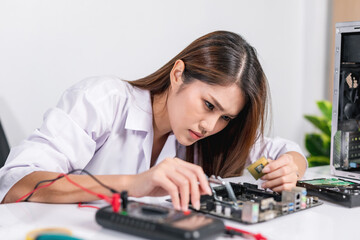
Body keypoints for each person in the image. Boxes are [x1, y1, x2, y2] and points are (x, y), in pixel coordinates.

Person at [0, 31, 307, 211]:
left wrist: (290, 167)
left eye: (225, 117)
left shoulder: (209, 139)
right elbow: (16, 184)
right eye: (208, 105)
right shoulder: (104, 100)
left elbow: (284, 151)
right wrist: (136, 185)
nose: (210, 126)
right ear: (178, 75)